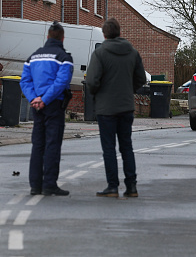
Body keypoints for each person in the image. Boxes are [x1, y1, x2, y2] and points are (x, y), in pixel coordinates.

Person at [86, 18, 146, 198]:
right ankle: (132, 186)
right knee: (127, 147)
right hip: (126, 106)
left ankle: (112, 186)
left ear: (104, 34)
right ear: (119, 32)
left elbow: (92, 81)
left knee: (109, 148)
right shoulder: (132, 52)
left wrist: (98, 93)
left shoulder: (100, 53)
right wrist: (129, 90)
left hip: (106, 109)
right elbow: (141, 78)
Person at [20, 21, 73, 196]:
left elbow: (25, 81)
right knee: (52, 145)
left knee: (38, 145)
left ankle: (35, 185)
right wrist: (45, 99)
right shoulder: (64, 58)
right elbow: (61, 82)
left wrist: (34, 99)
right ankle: (49, 184)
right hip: (54, 105)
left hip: (37, 106)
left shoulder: (32, 57)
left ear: (47, 36)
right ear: (63, 38)